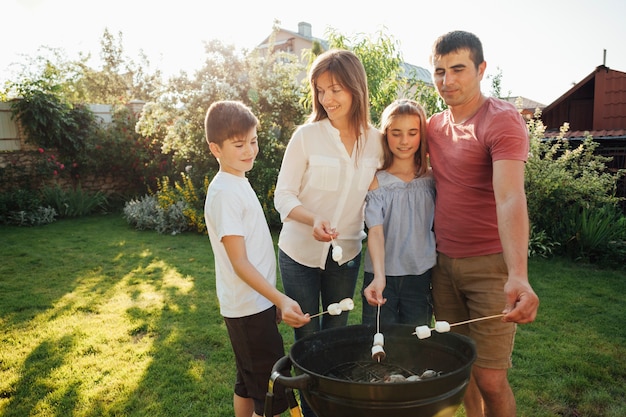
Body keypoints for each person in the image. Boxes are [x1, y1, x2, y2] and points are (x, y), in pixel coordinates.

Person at [426, 30, 540, 417]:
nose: (448, 80)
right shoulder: (432, 126)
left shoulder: (501, 120)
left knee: (491, 378)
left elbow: (510, 197)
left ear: (481, 69)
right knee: (461, 371)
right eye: (439, 71)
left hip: (490, 268)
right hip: (442, 266)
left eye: (458, 69)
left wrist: (518, 276)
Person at [274, 49, 382, 417]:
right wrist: (311, 219)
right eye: (320, 90)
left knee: (335, 340)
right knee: (307, 340)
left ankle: (330, 409)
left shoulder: (377, 141)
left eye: (335, 89)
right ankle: (311, 411)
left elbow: (383, 194)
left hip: (346, 256)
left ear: (356, 88)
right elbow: (283, 195)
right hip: (299, 253)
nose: (327, 99)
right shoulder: (306, 136)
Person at [203, 100, 310, 417]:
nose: (250, 150)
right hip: (247, 309)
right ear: (215, 148)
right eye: (239, 144)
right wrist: (279, 298)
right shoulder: (224, 193)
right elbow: (239, 262)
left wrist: (270, 301)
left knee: (247, 383)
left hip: (253, 305)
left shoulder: (237, 180)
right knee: (272, 392)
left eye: (253, 141)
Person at [361, 99, 435, 327]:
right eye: (396, 133)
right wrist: (380, 276)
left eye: (412, 133)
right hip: (382, 277)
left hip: (421, 275)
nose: (404, 141)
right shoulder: (376, 181)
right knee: (378, 343)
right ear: (385, 135)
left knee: (416, 344)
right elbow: (375, 231)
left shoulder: (432, 179)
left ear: (422, 135)